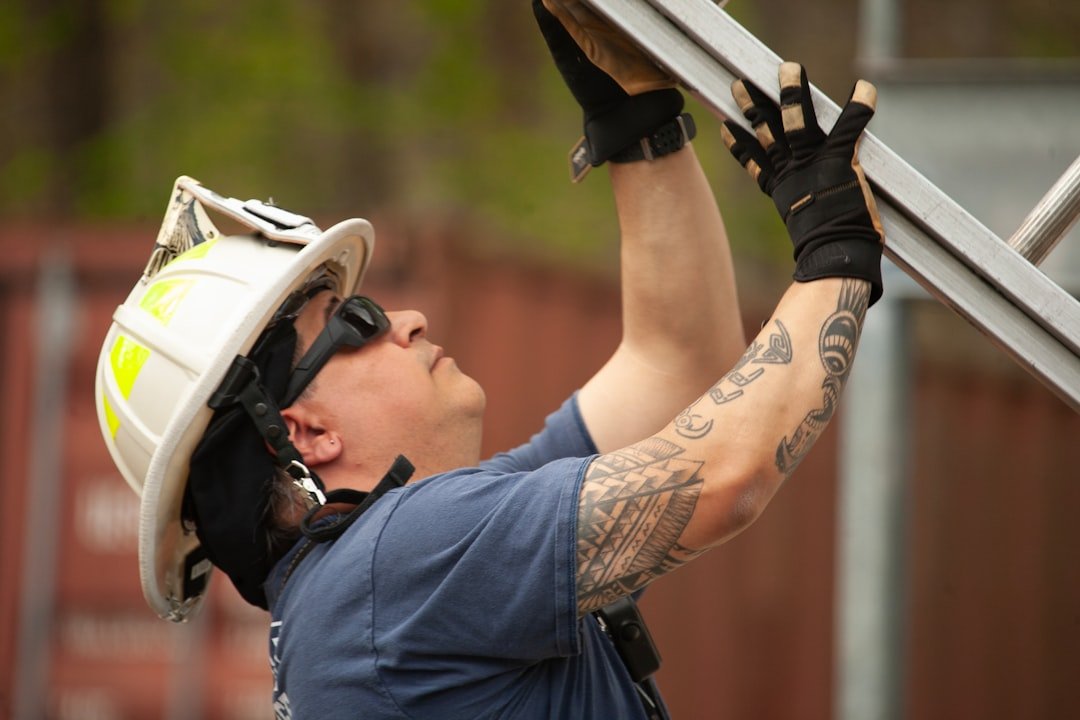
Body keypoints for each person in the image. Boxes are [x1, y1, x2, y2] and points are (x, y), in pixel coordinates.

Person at [94, 1, 884, 718]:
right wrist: (837, 251)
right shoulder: (398, 564)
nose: (407, 320)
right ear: (306, 431)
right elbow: (721, 478)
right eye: (355, 320)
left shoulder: (371, 588)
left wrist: (636, 128)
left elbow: (678, 367)